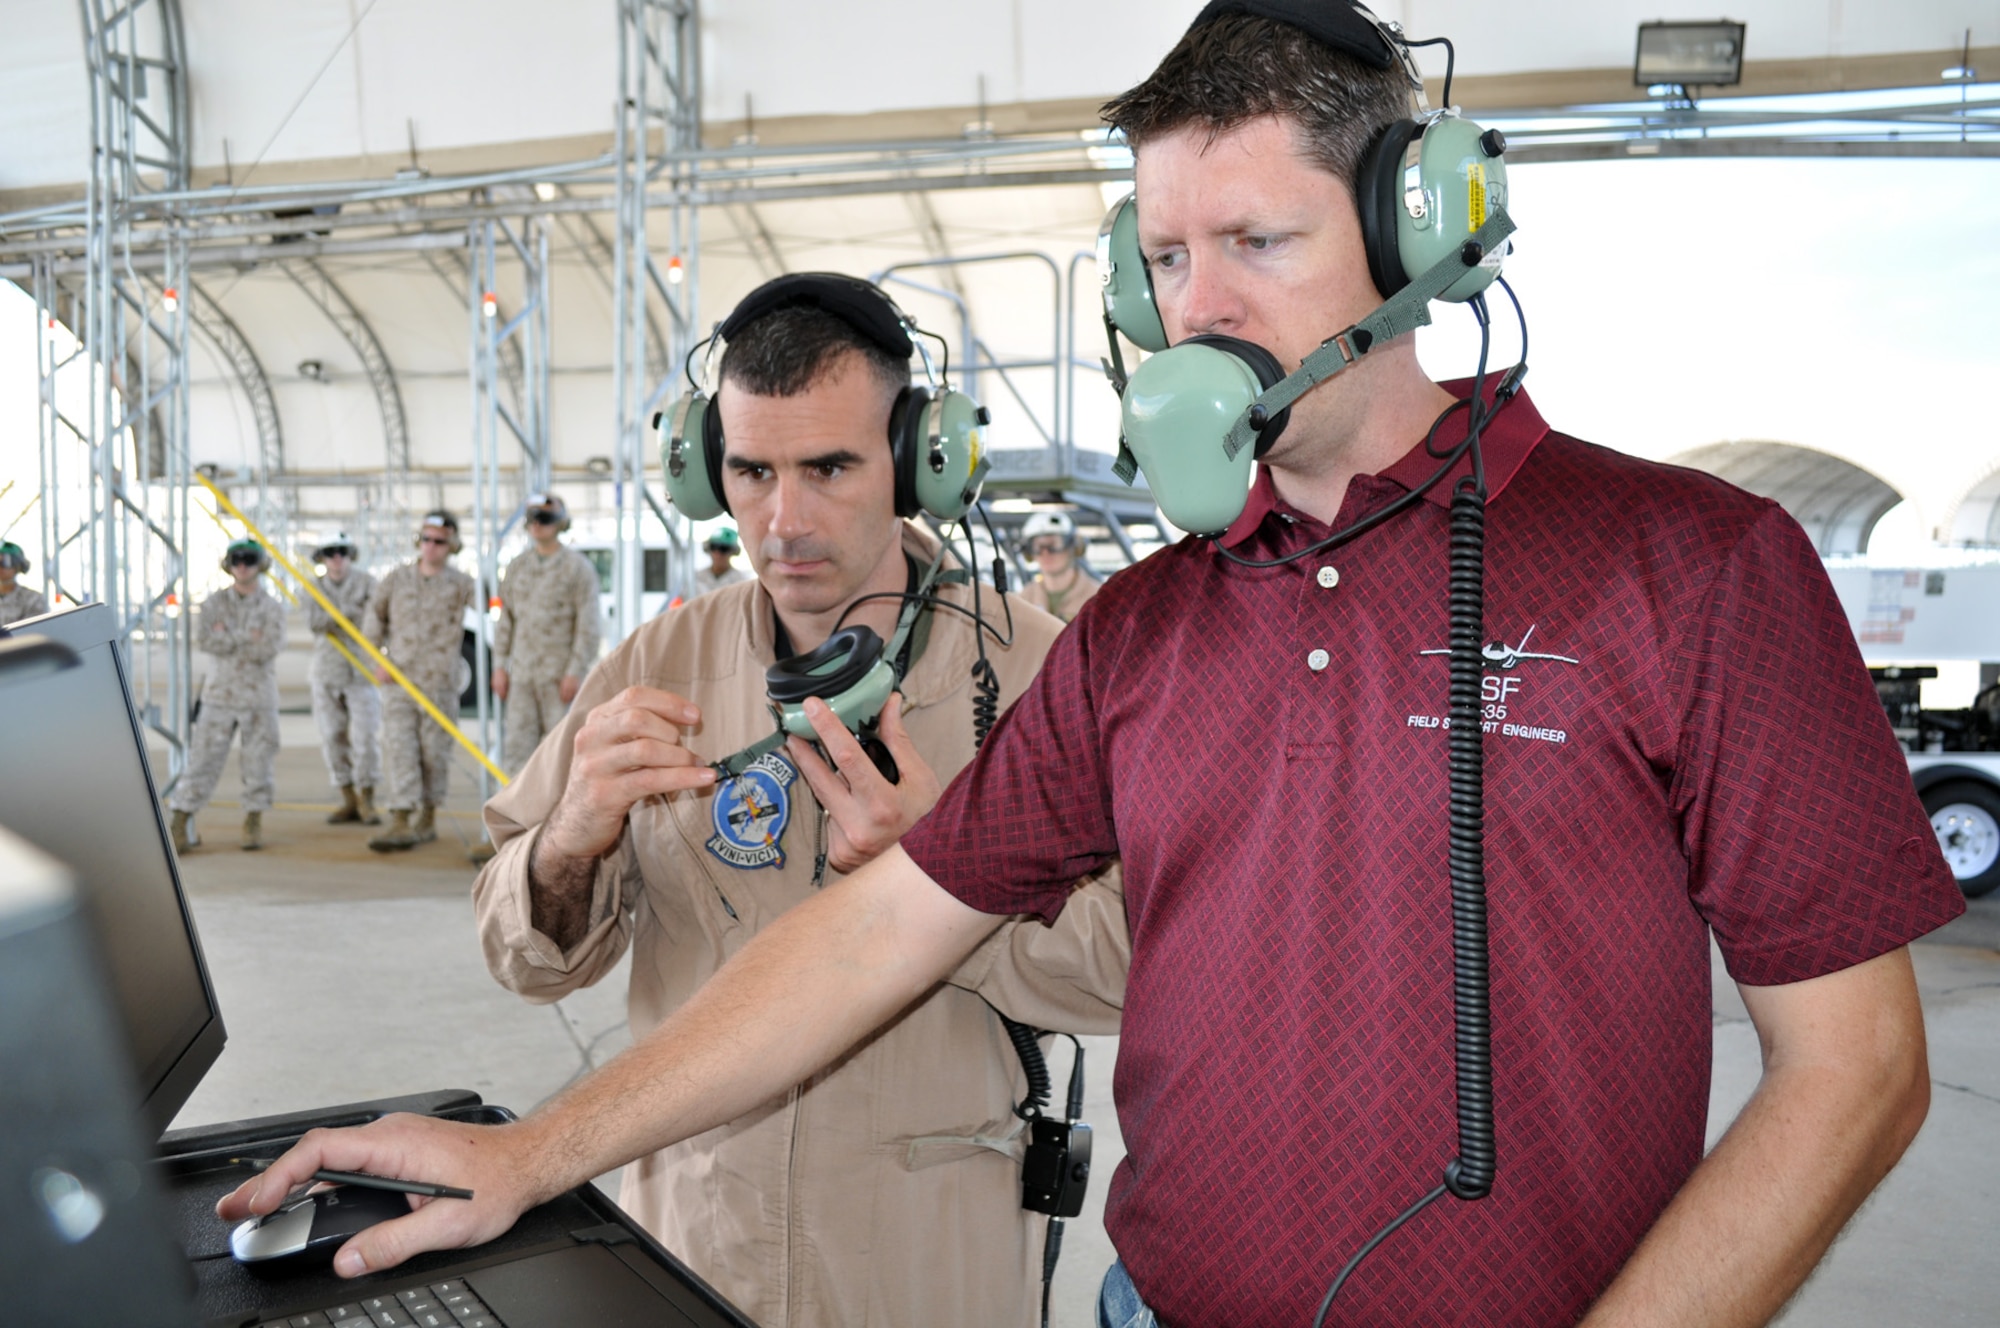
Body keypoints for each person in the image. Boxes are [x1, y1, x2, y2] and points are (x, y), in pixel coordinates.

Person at [220, 6, 1964, 1326]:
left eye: (1259, 244)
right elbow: (881, 930)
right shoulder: (1143, 628)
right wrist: (534, 1150)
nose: (1197, 311)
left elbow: (1858, 1068)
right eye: (1166, 256)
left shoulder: (1692, 564)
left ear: (1421, 232)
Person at [461, 277, 1125, 1328]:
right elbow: (525, 957)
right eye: (751, 471)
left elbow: (1127, 967)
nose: (784, 520)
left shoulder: (1041, 672)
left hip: (925, 1254)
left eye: (829, 467)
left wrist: (943, 879)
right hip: (695, 1234)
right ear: (704, 471)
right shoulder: (655, 665)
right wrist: (570, 836)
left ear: (918, 461)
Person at [364, 511, 477, 853]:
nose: (431, 547)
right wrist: (377, 660)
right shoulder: (396, 579)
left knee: (434, 753)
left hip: (439, 685)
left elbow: (491, 607)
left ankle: (426, 818)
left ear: (452, 545)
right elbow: (374, 619)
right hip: (400, 682)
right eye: (426, 539)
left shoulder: (462, 584)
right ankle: (400, 818)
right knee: (400, 748)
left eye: (439, 541)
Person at [167, 538, 285, 852]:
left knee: (259, 762)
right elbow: (206, 640)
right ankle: (180, 820)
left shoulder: (272, 607)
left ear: (260, 565)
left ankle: (253, 821)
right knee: (202, 761)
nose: (242, 566)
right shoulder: (213, 604)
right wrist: (248, 636)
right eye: (236, 560)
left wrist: (228, 636)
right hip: (219, 696)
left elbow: (268, 648)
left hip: (258, 697)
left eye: (249, 560)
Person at [489, 492, 600, 776]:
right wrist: (499, 666)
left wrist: (575, 671)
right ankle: (517, 806)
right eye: (531, 519)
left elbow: (588, 625)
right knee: (517, 752)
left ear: (561, 522)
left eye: (545, 518)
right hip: (522, 676)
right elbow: (506, 621)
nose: (537, 525)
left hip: (559, 678)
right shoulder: (517, 566)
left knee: (562, 755)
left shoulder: (577, 568)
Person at [305, 532, 382, 827]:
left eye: (342, 552)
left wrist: (334, 616)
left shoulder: (368, 583)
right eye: (330, 553)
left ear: (350, 555)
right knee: (332, 737)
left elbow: (373, 619)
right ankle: (348, 798)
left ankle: (367, 798)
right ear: (322, 558)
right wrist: (351, 612)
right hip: (327, 673)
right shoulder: (312, 587)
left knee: (365, 738)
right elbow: (314, 622)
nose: (337, 558)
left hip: (361, 673)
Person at [1014, 510, 1100, 624]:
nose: (1045, 553)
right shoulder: (1024, 599)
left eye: (1053, 545)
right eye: (1038, 547)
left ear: (1074, 547)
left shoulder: (1098, 598)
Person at [0, 542, 50, 627]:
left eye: (5, 562)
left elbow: (36, 629)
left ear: (18, 566)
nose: (0, 567)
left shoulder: (33, 599)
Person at [691, 525, 750, 597]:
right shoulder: (695, 578)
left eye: (723, 549)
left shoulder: (742, 581)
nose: (717, 553)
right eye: (713, 547)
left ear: (733, 551)